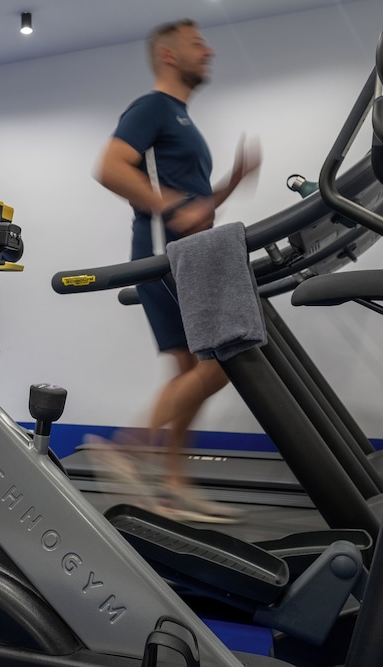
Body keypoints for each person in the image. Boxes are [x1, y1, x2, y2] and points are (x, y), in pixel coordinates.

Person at [92, 18, 261, 523]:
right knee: (221, 362)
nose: (208, 52)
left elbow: (197, 208)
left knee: (192, 371)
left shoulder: (182, 120)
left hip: (187, 251)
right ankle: (126, 449)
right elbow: (110, 167)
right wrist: (171, 206)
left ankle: (171, 486)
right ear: (169, 55)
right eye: (196, 44)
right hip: (166, 253)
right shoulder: (153, 108)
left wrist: (231, 182)